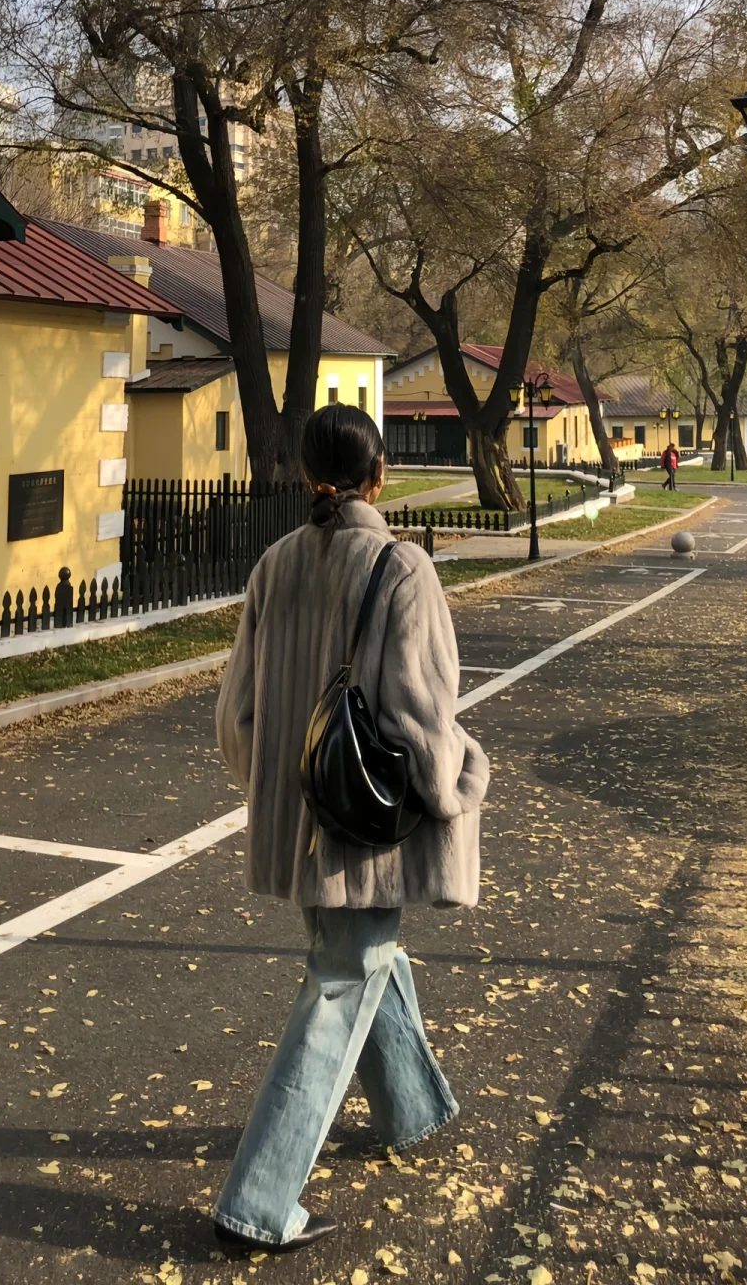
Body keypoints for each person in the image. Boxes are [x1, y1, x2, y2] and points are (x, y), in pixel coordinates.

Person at [212, 403, 490, 1254]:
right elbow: (421, 713)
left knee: (361, 954)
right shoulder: (403, 566)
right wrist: (458, 784)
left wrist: (278, 786)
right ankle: (258, 1202)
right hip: (364, 823)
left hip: (301, 811)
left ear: (308, 476)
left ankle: (409, 1109)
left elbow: (237, 714)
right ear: (380, 476)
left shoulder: (274, 565)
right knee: (345, 975)